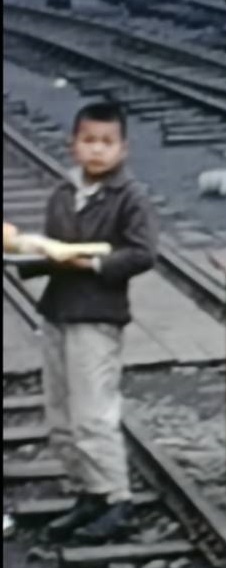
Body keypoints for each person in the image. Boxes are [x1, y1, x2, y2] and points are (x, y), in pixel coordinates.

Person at [17, 103, 159, 544]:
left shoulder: (129, 196)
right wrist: (31, 253)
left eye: (107, 142)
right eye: (89, 141)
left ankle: (117, 499)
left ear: (123, 148)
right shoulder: (64, 192)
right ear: (73, 145)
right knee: (61, 411)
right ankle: (88, 491)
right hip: (58, 310)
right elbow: (55, 248)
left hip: (97, 314)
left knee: (93, 411)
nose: (97, 150)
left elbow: (142, 252)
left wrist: (92, 263)